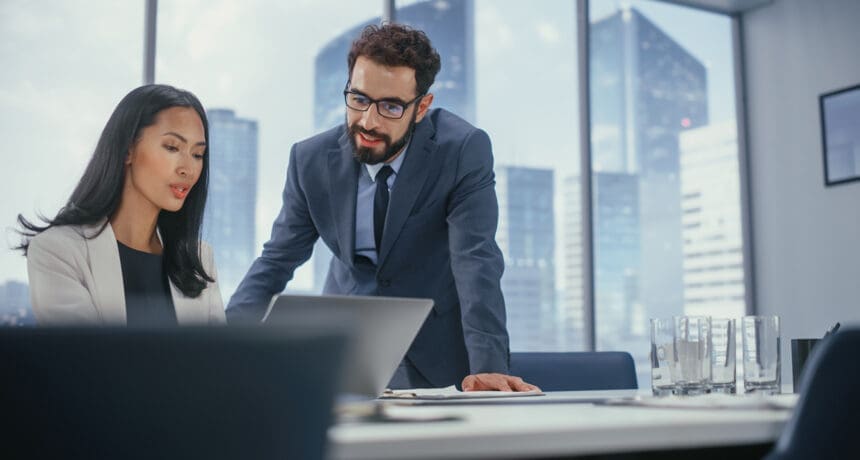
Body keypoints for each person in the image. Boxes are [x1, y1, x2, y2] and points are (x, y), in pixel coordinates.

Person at [227, 24, 536, 392]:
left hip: (436, 349)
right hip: (345, 349)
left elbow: (476, 260)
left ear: (421, 107)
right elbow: (277, 260)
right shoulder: (310, 160)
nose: (368, 121)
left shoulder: (461, 150)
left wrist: (489, 367)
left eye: (390, 106)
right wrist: (219, 344)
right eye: (358, 99)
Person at [17, 84, 224, 326]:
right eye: (172, 147)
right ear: (128, 149)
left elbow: (219, 361)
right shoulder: (59, 251)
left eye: (198, 154)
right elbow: (86, 359)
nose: (188, 169)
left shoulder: (199, 258)